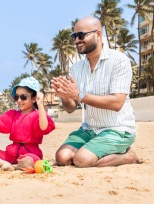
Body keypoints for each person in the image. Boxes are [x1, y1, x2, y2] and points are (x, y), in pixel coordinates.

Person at [51, 16, 141, 168]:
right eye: (74, 36)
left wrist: (78, 94)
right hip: (90, 129)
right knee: (62, 157)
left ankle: (128, 156)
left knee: (81, 160)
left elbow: (117, 103)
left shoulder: (119, 61)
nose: (76, 40)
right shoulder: (77, 68)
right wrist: (65, 96)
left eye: (81, 35)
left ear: (98, 34)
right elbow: (71, 108)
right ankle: (97, 150)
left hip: (118, 129)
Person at [0, 77, 55, 171]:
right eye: (16, 97)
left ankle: (15, 166)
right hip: (11, 154)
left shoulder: (38, 114)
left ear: (34, 98)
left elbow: (44, 127)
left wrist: (40, 104)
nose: (19, 100)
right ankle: (5, 164)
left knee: (30, 161)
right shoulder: (13, 115)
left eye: (23, 97)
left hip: (30, 153)